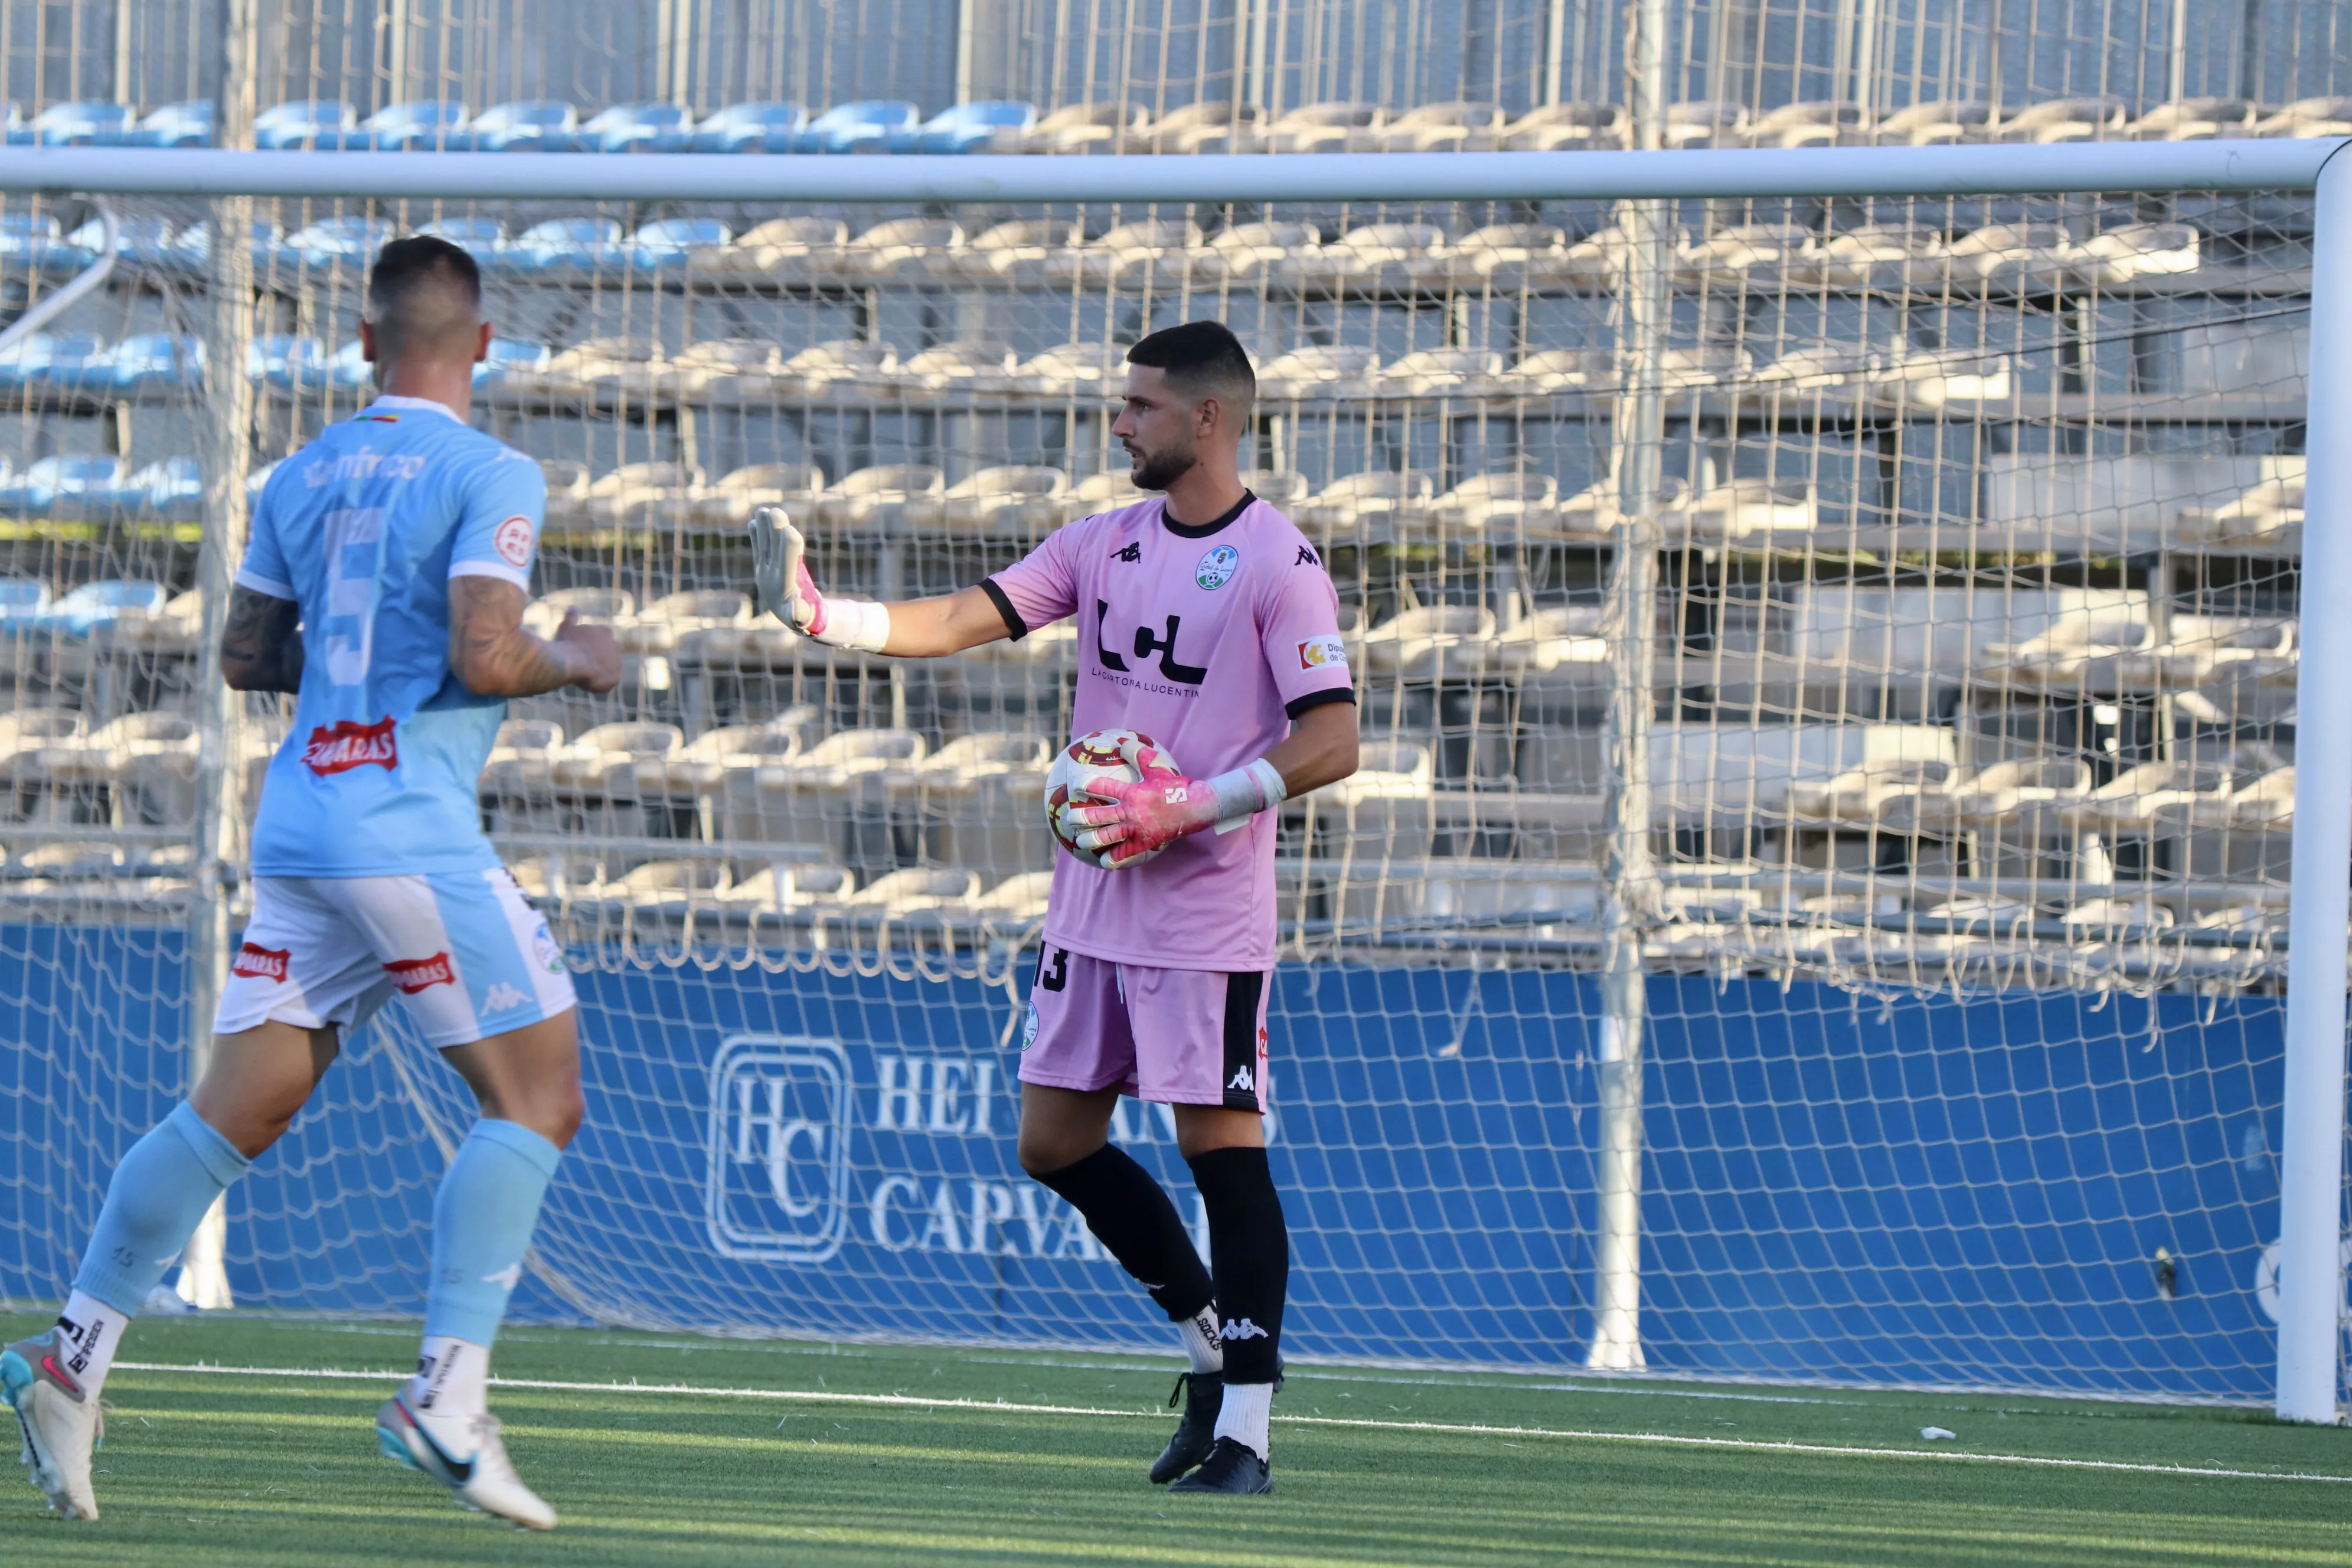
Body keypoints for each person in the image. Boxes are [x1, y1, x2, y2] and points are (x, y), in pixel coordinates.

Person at [1, 236, 620, 1530]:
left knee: (237, 1109)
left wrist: (363, 667)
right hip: (404, 822)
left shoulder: (305, 469)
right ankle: (445, 1395)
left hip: (303, 820)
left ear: (362, 343)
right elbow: (489, 649)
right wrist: (577, 658)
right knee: (538, 1096)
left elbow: (242, 655)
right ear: (486, 344)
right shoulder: (493, 468)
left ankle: (73, 1356)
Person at [750, 318, 1356, 1494]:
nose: (1120, 422)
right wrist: (822, 615)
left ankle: (1247, 1432)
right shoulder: (1103, 543)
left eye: (1140, 406)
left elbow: (1333, 736)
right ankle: (1203, 1344)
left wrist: (1192, 806)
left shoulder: (1284, 565)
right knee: (1053, 1140)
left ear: (1208, 419)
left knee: (1219, 1151)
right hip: (1091, 904)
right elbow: (959, 619)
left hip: (1202, 913)